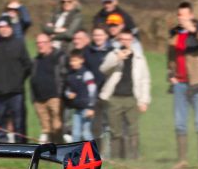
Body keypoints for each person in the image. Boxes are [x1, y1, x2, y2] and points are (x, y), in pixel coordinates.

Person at [168, 1, 198, 162]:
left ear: (191, 15)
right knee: (180, 124)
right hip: (180, 83)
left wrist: (193, 30)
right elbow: (171, 56)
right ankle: (182, 161)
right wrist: (170, 75)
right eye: (179, 15)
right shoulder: (175, 33)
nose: (181, 18)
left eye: (184, 15)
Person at [0, 17, 33, 142]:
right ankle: (1, 148)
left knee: (19, 122)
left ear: (11, 28)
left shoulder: (19, 45)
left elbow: (28, 65)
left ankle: (22, 149)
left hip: (16, 93)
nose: (3, 30)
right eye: (0, 27)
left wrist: (19, 80)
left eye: (6, 27)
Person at [99, 30, 151, 158]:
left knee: (133, 130)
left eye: (128, 39)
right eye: (122, 39)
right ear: (119, 40)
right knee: (115, 131)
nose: (125, 42)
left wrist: (144, 100)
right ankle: (117, 159)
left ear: (132, 40)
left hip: (132, 98)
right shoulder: (113, 54)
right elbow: (103, 69)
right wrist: (117, 59)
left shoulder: (139, 57)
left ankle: (133, 157)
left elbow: (145, 79)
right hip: (114, 98)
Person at [30, 33, 65, 143]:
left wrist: (60, 94)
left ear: (49, 43)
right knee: (46, 129)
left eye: (43, 43)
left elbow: (63, 75)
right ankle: (49, 152)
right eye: (38, 43)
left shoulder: (58, 57)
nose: (40, 45)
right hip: (39, 100)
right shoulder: (36, 60)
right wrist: (33, 98)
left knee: (57, 127)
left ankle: (61, 148)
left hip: (54, 98)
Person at [64, 50, 97, 142]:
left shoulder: (86, 74)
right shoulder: (70, 75)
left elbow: (92, 91)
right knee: (76, 133)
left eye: (75, 60)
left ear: (81, 60)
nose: (72, 63)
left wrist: (91, 107)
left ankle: (94, 154)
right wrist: (68, 94)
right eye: (71, 61)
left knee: (85, 133)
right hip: (77, 108)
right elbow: (67, 89)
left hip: (86, 108)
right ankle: (76, 155)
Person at [85, 27, 112, 136]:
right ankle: (98, 152)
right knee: (96, 127)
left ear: (106, 36)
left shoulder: (113, 51)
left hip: (109, 93)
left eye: (100, 35)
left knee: (110, 126)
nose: (97, 38)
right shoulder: (87, 51)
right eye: (95, 35)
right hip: (93, 94)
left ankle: (112, 152)